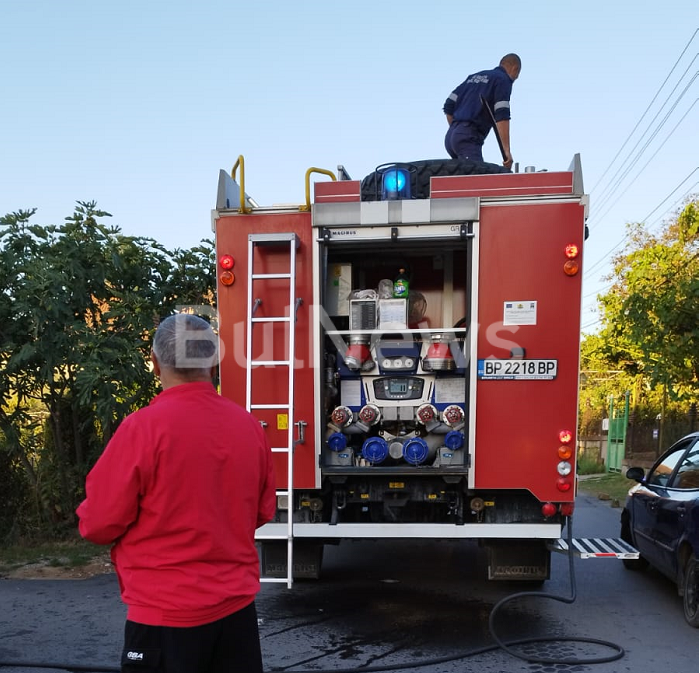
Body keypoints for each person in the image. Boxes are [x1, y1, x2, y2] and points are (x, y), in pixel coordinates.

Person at [76, 314, 276, 673]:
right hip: (236, 615)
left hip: (165, 616)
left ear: (154, 363)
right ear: (214, 361)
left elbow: (98, 524)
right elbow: (262, 511)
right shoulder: (249, 427)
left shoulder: (142, 429)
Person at [443, 53, 521, 170]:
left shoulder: (472, 77)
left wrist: (456, 131)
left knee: (462, 181)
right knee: (477, 182)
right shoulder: (503, 80)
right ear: (515, 69)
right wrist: (507, 152)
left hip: (450, 138)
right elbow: (502, 115)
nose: (515, 79)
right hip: (467, 138)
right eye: (517, 76)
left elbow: (449, 105)